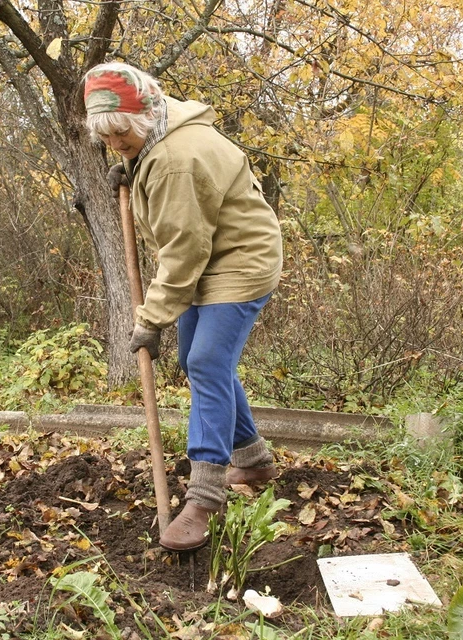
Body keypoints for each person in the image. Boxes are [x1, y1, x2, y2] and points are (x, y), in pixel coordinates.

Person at [83, 62, 283, 552]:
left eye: (122, 137)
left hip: (237, 262)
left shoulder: (175, 159)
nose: (115, 145)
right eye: (107, 139)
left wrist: (150, 319)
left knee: (206, 362)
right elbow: (184, 236)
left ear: (144, 116)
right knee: (197, 362)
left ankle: (204, 496)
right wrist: (132, 164)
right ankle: (253, 459)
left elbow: (182, 251)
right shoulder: (158, 132)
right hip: (209, 258)